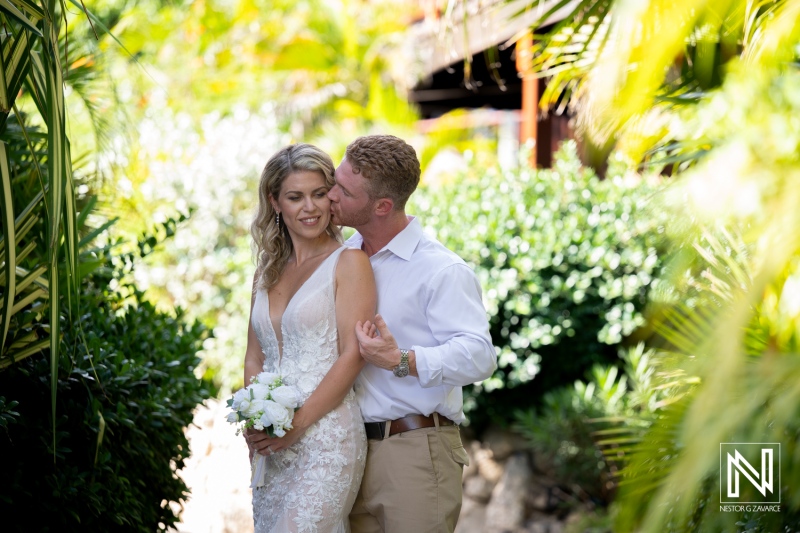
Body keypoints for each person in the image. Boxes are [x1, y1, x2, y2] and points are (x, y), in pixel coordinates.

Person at [327, 135, 497, 533]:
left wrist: (402, 359)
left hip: (416, 452)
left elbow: (480, 355)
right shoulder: (339, 257)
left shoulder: (441, 270)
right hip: (346, 453)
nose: (330, 195)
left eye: (344, 191)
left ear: (382, 206)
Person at [243, 143, 377, 533]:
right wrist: (256, 425)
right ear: (275, 201)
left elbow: (354, 355)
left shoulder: (349, 261)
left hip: (325, 438)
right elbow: (255, 356)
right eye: (295, 196)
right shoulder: (265, 271)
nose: (310, 207)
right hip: (271, 444)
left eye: (319, 194)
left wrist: (298, 424)